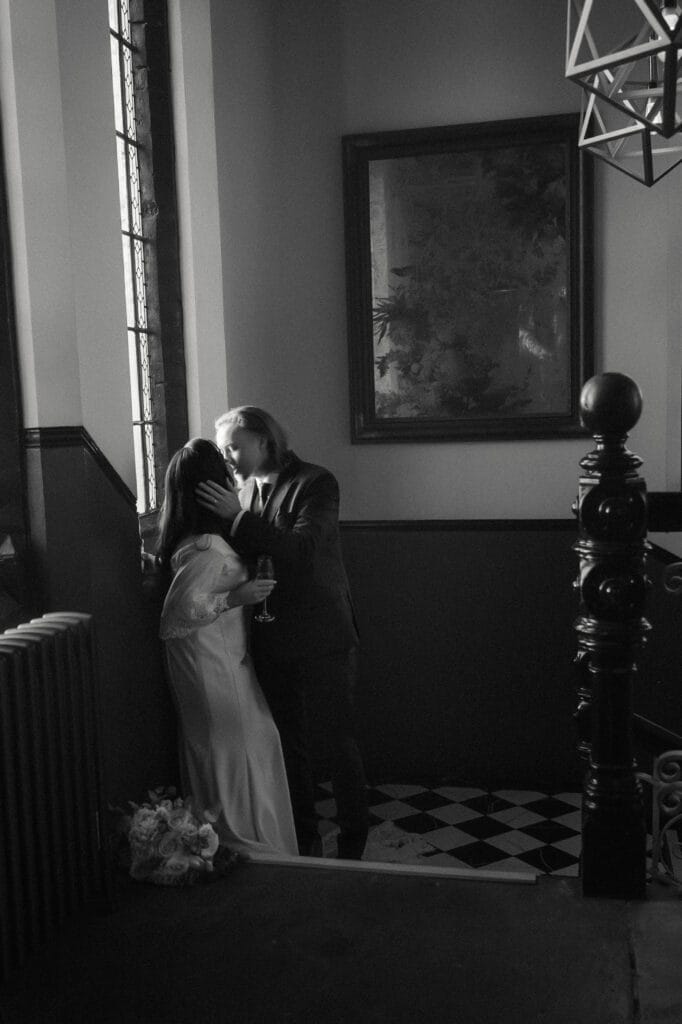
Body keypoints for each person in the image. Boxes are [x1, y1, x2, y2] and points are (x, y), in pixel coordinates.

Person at [195, 407, 369, 861]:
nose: (229, 457)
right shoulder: (245, 491)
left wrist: (238, 519)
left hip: (322, 635)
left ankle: (354, 843)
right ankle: (303, 840)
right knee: (287, 740)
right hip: (271, 637)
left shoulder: (316, 482)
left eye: (235, 446)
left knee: (338, 741)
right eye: (225, 449)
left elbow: (303, 551)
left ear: (264, 440)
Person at [157, 438, 298, 858]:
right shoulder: (209, 550)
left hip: (221, 661)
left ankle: (234, 843)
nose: (233, 476)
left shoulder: (196, 541)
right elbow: (175, 618)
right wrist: (238, 597)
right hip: (212, 668)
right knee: (242, 751)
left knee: (249, 746)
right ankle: (249, 846)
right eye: (224, 468)